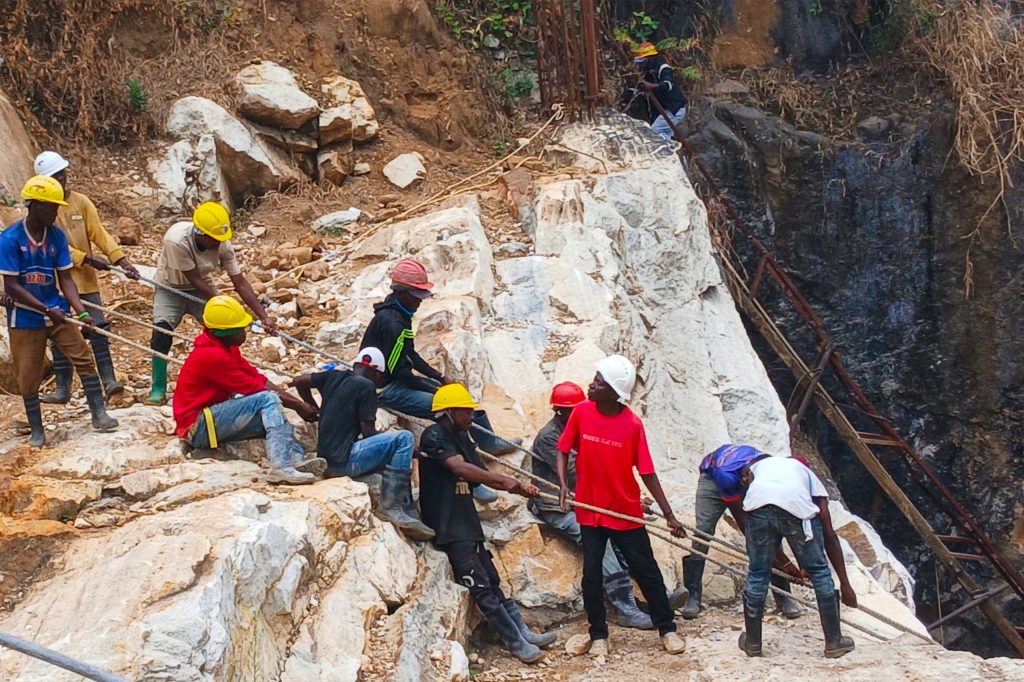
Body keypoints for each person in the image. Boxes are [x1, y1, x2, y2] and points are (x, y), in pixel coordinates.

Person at [556, 355, 687, 656]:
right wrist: (563, 484)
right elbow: (562, 449)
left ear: (614, 392)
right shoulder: (581, 412)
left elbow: (647, 472)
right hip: (590, 511)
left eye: (599, 382)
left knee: (646, 571)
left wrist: (669, 515)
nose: (591, 385)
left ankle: (667, 629)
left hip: (624, 510)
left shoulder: (632, 425)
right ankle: (598, 635)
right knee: (591, 575)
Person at [360, 257, 520, 501]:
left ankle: (487, 440)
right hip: (386, 388)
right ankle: (476, 478)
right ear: (401, 292)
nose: (419, 302)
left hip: (396, 379)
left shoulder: (401, 315)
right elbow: (399, 370)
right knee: (449, 412)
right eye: (416, 296)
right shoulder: (392, 323)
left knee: (457, 399)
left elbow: (409, 354)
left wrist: (439, 377)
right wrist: (435, 390)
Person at [419, 383, 555, 664]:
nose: (471, 417)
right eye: (466, 412)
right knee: (479, 584)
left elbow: (477, 471)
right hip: (447, 523)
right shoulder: (434, 435)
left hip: (465, 519)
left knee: (491, 578)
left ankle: (521, 631)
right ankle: (515, 641)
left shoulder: (462, 436)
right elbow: (460, 468)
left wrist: (519, 487)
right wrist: (505, 480)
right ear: (449, 411)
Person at [0, 176, 119, 446]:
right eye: (52, 206)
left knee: (83, 357)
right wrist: (44, 309)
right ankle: (37, 430)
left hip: (56, 310)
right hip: (25, 318)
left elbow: (66, 279)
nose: (56, 211)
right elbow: (12, 286)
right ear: (35, 206)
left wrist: (82, 313)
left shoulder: (56, 237)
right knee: (28, 374)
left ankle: (98, 413)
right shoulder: (10, 239)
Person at [529, 381, 653, 629]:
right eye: (573, 409)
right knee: (602, 544)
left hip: (587, 502)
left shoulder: (580, 426)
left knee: (625, 534)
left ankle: (655, 594)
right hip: (558, 507)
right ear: (560, 412)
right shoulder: (549, 437)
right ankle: (623, 606)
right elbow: (576, 472)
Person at [172, 295, 324, 485]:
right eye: (240, 330)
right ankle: (281, 467)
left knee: (275, 417)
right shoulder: (212, 356)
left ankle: (295, 459)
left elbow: (256, 377)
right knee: (268, 400)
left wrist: (296, 403)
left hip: (210, 419)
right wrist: (298, 405)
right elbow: (254, 388)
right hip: (198, 426)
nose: (244, 333)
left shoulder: (225, 347)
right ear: (225, 332)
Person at [292, 347, 434, 541]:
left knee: (391, 454)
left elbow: (299, 381)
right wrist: (411, 452)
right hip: (343, 462)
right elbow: (369, 433)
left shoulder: (333, 376)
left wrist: (311, 407)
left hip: (326, 456)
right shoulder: (366, 386)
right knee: (404, 439)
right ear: (377, 374)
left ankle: (408, 511)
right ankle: (391, 506)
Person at [30, 152, 141, 403]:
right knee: (61, 331)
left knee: (98, 327)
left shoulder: (81, 202)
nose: (61, 179)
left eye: (62, 174)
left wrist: (120, 260)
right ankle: (63, 389)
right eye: (55, 177)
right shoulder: (44, 209)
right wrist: (88, 259)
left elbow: (99, 233)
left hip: (86, 280)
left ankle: (109, 380)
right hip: (58, 283)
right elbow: (54, 246)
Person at [146, 201, 276, 405]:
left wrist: (263, 316)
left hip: (202, 285)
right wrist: (223, 305)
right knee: (161, 334)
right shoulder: (177, 240)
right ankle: (158, 388)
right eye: (214, 238)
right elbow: (193, 278)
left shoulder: (222, 242)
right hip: (170, 286)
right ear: (200, 233)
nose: (219, 242)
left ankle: (231, 380)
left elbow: (239, 282)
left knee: (224, 333)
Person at [737, 453, 858, 658]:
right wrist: (845, 584)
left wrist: (798, 565)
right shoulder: (808, 476)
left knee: (758, 573)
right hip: (795, 507)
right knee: (820, 572)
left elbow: (759, 509)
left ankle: (753, 643)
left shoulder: (756, 471)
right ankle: (834, 642)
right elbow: (828, 534)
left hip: (757, 507)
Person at [683, 443, 804, 620]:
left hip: (742, 477)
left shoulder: (768, 468)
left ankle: (783, 596)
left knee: (770, 529)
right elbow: (745, 523)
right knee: (703, 531)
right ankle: (693, 594)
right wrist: (783, 562)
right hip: (712, 479)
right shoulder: (726, 475)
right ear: (745, 478)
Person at [620, 42, 688, 141]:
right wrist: (625, 97)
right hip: (662, 109)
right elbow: (638, 88)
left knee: (654, 132)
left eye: (643, 60)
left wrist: (651, 86)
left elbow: (667, 84)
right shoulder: (646, 72)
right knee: (665, 136)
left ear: (650, 58)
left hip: (674, 109)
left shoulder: (663, 68)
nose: (641, 64)